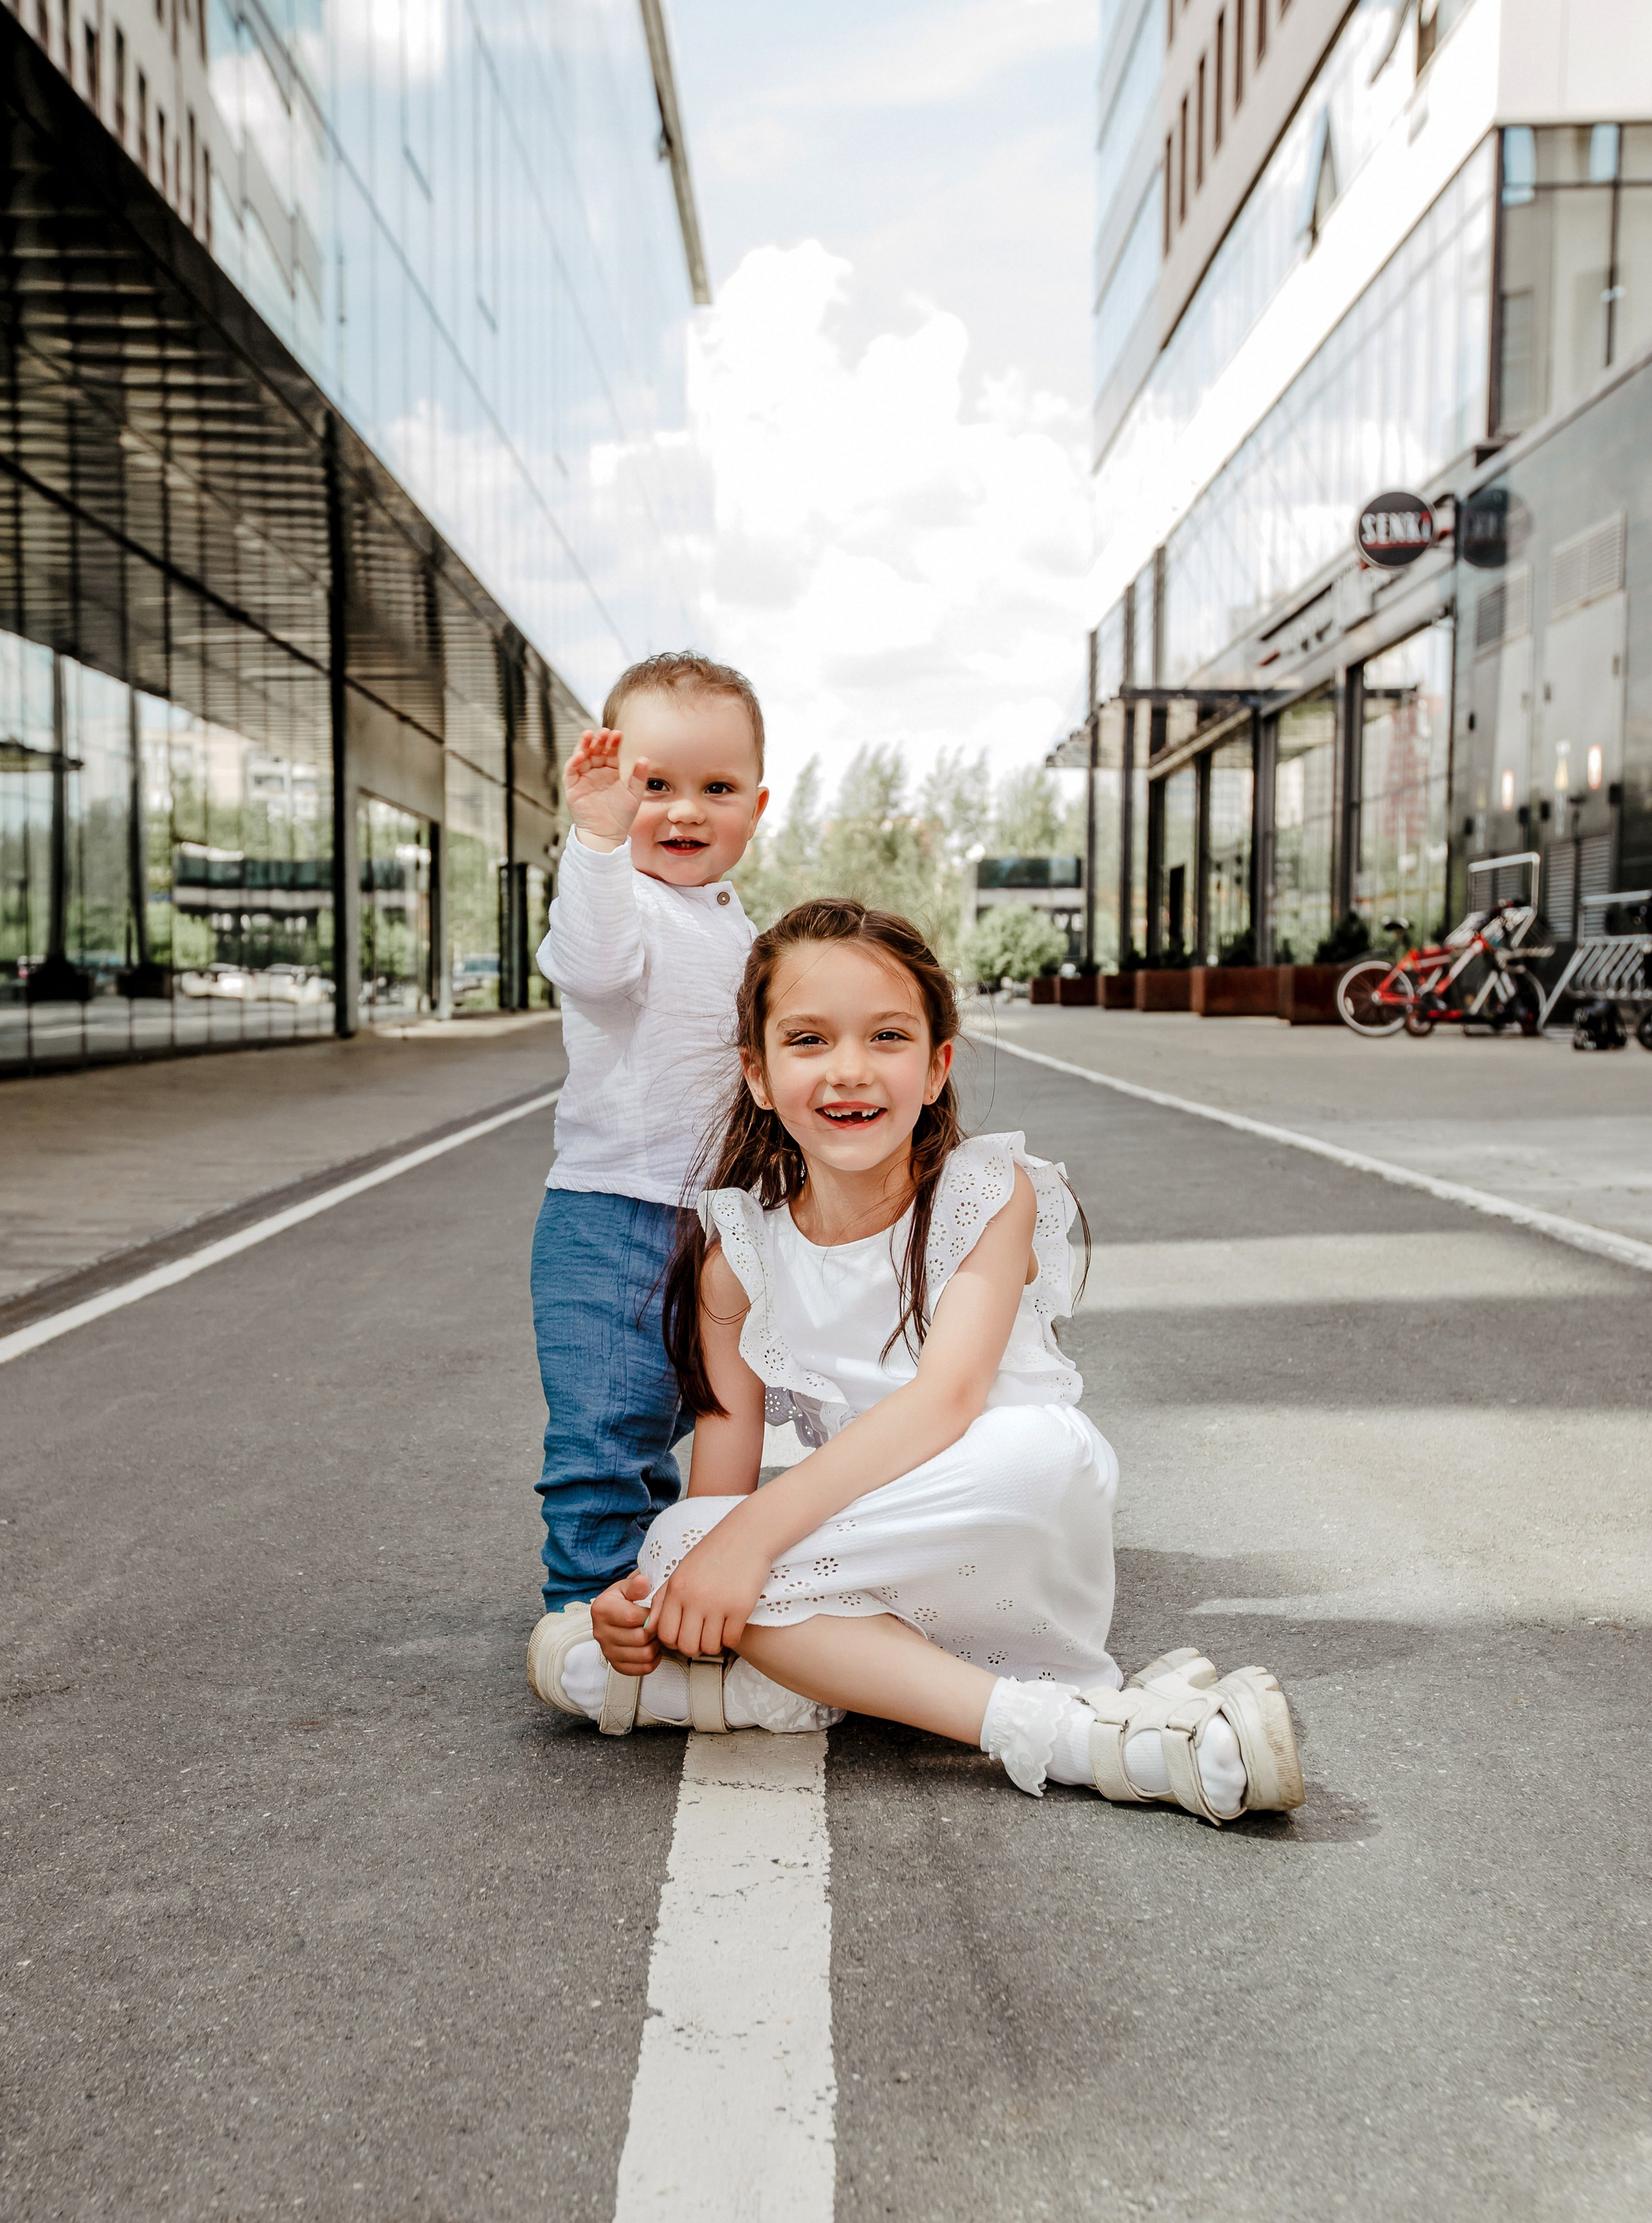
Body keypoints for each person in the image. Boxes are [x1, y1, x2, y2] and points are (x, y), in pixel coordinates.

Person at [531, 896, 1304, 1827]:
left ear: (936, 1066)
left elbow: (947, 1403)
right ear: (760, 1073)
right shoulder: (735, 1254)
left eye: (887, 1036)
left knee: (1033, 1452)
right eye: (808, 1039)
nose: (849, 1070)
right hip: (859, 1545)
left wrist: (731, 1555)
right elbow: (720, 1494)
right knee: (680, 1538)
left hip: (996, 1517)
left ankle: (768, 1688)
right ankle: (1077, 1736)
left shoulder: (986, 1190)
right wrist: (654, 1594)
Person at [525, 653, 766, 1701]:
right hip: (612, 1214)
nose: (683, 810)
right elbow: (587, 964)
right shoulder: (616, 899)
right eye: (656, 783)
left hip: (716, 1223)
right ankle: (582, 1618)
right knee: (606, 1432)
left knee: (694, 1417)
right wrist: (593, 838)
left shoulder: (737, 925)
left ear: (758, 803)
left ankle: (650, 1587)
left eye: (717, 789)